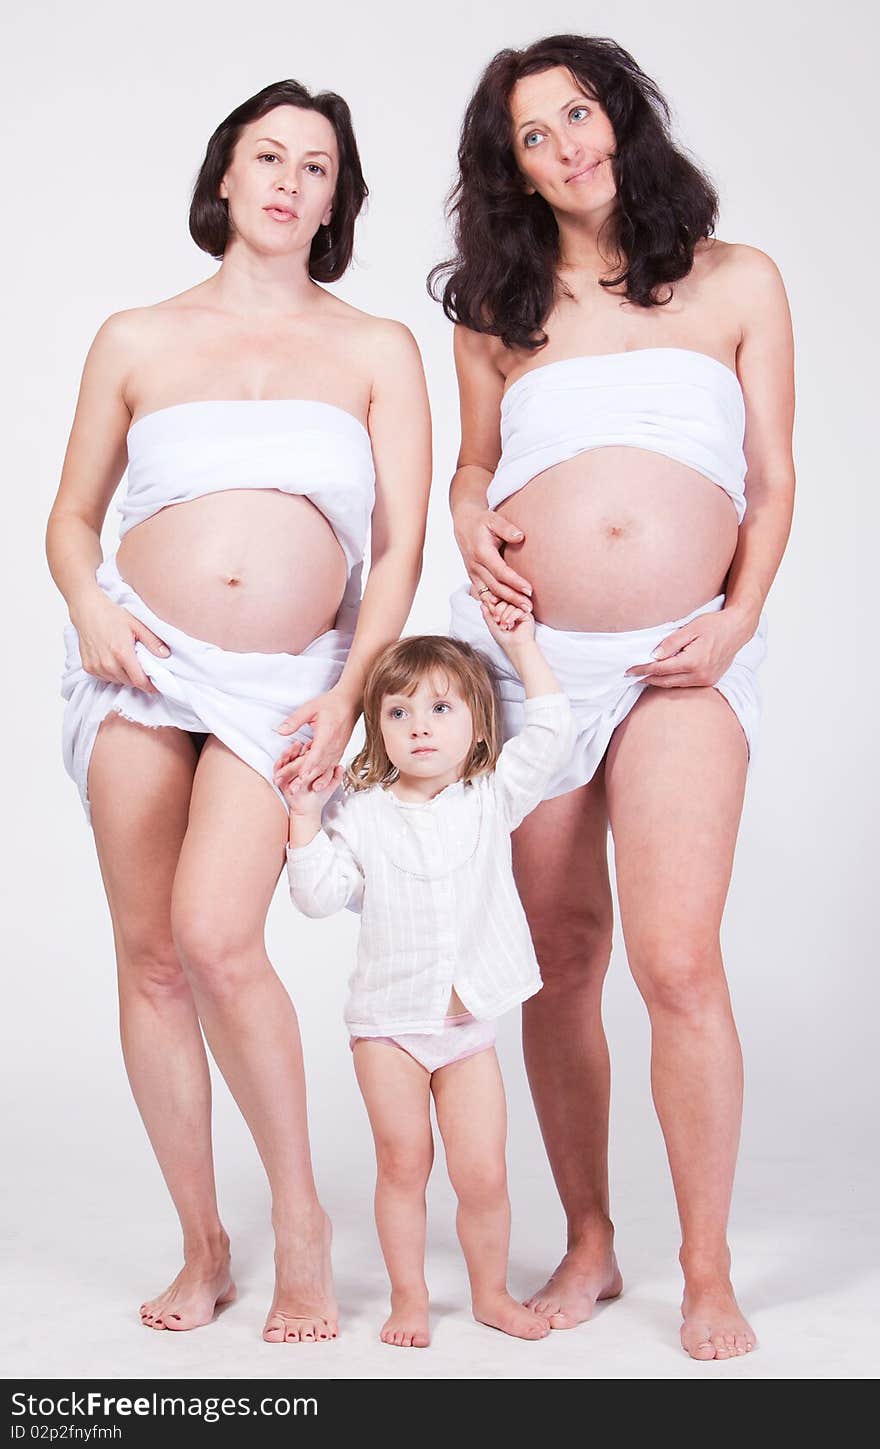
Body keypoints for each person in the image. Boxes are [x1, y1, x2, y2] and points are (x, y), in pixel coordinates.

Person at [47, 78, 431, 1343]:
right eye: (269, 156)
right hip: (138, 666)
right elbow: (71, 519)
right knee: (151, 957)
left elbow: (403, 549)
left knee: (219, 939)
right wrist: (89, 606)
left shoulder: (376, 348)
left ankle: (302, 1225)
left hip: (287, 683)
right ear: (224, 176)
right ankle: (205, 1243)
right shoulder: (135, 338)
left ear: (337, 200)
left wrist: (349, 695)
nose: (289, 181)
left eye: (317, 167)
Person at [431, 34, 795, 1359]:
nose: (566, 145)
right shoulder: (494, 311)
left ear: (618, 116)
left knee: (677, 958)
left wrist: (737, 618)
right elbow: (470, 475)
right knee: (561, 958)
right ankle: (592, 1240)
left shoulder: (737, 280)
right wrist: (467, 522)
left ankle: (707, 1266)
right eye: (533, 134)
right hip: (536, 666)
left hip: (688, 652)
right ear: (511, 169)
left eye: (577, 113)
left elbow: (773, 475)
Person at [280, 618, 576, 1347]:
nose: (419, 727)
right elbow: (318, 896)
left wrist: (522, 647)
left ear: (478, 730)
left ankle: (490, 1292)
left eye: (442, 708)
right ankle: (408, 1298)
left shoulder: (490, 796)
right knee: (404, 1164)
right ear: (377, 730)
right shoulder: (363, 812)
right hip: (388, 1027)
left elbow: (552, 731)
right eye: (399, 711)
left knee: (483, 1175)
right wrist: (306, 818)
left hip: (468, 1026)